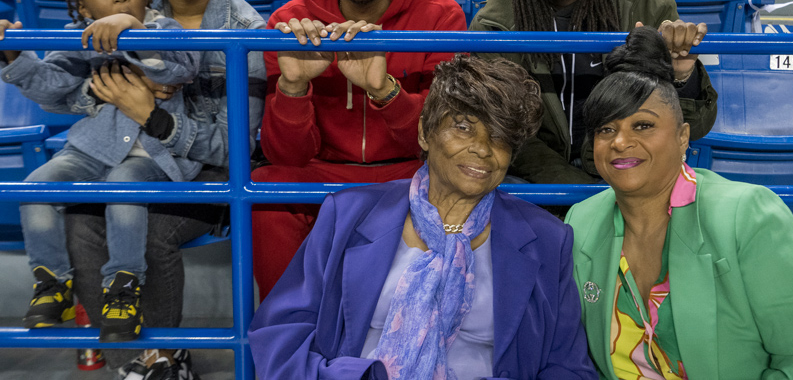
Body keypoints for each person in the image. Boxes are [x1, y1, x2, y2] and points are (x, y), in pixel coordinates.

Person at [249, 54, 598, 379]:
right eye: (463, 127)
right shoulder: (348, 214)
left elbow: (567, 366)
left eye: (501, 137)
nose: (483, 148)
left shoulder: (548, 239)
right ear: (424, 133)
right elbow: (280, 333)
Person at [63, 0, 267, 379]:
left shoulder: (245, 31)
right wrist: (103, 93)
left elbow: (232, 151)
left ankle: (167, 355)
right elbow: (78, 86)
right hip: (129, 161)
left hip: (206, 179)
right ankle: (134, 364)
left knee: (148, 228)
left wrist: (150, 114)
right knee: (81, 218)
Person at [250, 0, 468, 300]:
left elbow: (440, 141)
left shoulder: (441, 17)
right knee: (267, 187)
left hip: (409, 172)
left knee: (460, 183)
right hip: (324, 171)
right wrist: (293, 87)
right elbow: (287, 156)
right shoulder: (290, 24)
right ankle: (287, 335)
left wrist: (385, 92)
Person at [564, 26, 793, 379]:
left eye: (642, 126)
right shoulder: (581, 221)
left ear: (682, 137)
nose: (620, 142)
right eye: (606, 130)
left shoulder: (748, 215)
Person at [0, 0, 200, 343]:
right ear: (84, 9)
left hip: (157, 156)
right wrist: (16, 56)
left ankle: (123, 285)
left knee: (123, 185)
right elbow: (52, 87)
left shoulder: (162, 29)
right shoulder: (79, 37)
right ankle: (53, 282)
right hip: (92, 149)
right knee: (36, 187)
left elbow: (179, 69)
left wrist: (133, 33)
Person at [470, 0, 717, 185]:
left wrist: (682, 76)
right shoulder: (494, 23)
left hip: (629, 170)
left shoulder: (648, 4)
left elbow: (695, 126)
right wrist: (578, 195)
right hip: (538, 181)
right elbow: (506, 130)